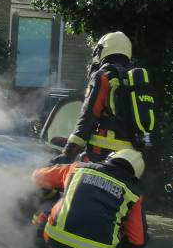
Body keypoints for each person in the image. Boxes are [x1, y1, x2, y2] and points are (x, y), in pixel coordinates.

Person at [31, 149, 150, 248]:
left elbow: (38, 177)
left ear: (110, 158)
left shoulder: (79, 168)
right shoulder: (134, 193)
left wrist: (55, 194)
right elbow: (137, 242)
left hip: (56, 244)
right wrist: (114, 241)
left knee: (45, 214)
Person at [56, 31, 149, 164]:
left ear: (102, 51)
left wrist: (68, 153)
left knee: (43, 176)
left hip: (101, 157)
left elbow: (87, 119)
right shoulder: (135, 81)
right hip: (132, 160)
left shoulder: (103, 77)